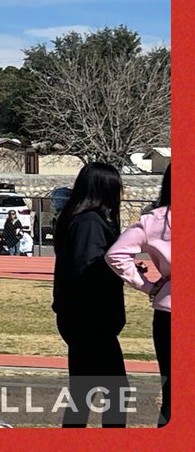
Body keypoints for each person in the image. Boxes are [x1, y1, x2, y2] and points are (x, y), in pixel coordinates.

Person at [52, 162, 128, 427]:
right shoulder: (89, 223)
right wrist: (119, 271)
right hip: (90, 320)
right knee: (115, 393)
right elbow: (87, 267)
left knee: (85, 392)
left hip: (82, 318)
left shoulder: (77, 218)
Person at [105, 165, 169, 426]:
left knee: (174, 390)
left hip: (170, 309)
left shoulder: (155, 219)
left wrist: (149, 286)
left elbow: (115, 254)